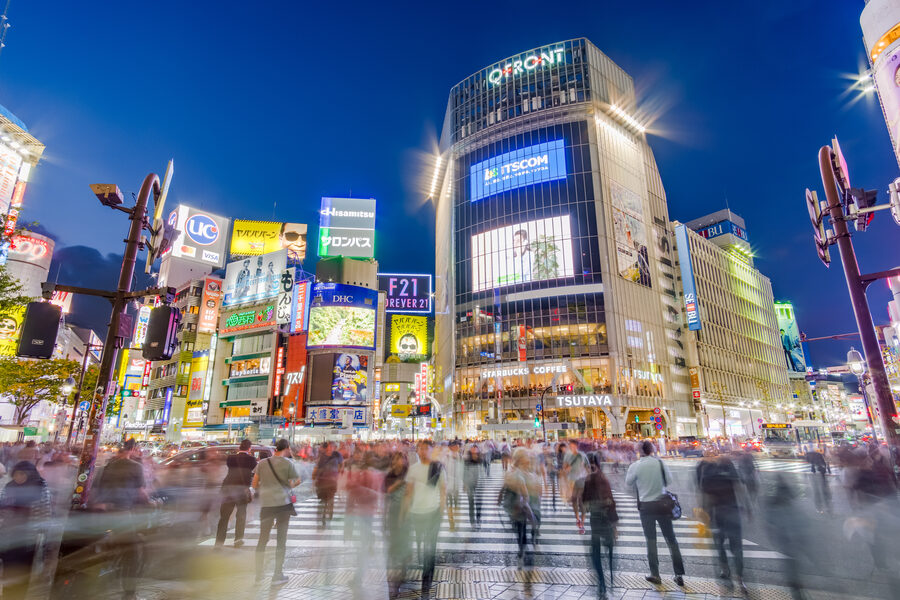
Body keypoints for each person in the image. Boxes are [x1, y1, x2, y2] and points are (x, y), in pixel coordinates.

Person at [625, 440, 685, 587]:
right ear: (652, 450)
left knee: (651, 541)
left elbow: (628, 482)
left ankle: (655, 574)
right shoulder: (660, 463)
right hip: (662, 505)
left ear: (640, 451)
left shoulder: (635, 466)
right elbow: (669, 480)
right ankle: (679, 574)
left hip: (646, 507)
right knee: (671, 539)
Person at [92, 439, 147, 599]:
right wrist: (149, 501)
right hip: (122, 513)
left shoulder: (104, 468)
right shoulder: (136, 467)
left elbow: (95, 490)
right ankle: (129, 591)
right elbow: (141, 493)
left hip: (102, 512)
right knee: (132, 552)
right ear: (132, 450)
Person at [0, 461, 52, 600]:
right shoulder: (9, 487)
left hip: (27, 538)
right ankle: (7, 595)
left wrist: (44, 537)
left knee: (22, 571)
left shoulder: (40, 487)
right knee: (8, 570)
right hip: (9, 536)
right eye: (16, 474)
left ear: (30, 474)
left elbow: (45, 513)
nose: (19, 477)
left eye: (22, 474)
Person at [252, 439, 301, 586]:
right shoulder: (288, 464)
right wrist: (289, 485)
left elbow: (254, 484)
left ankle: (259, 574)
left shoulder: (262, 463)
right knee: (281, 540)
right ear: (286, 448)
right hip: (283, 505)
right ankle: (277, 575)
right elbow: (296, 481)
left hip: (266, 506)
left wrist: (266, 490)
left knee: (262, 539)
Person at [698, 455, 746, 594]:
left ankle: (724, 569)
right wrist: (746, 507)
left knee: (719, 544)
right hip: (733, 511)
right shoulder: (730, 469)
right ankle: (740, 578)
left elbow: (705, 495)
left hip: (717, 514)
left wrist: (704, 514)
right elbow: (739, 487)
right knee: (737, 547)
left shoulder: (708, 471)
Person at [403, 440, 445, 599]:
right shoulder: (413, 469)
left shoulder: (438, 468)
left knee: (429, 551)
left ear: (431, 450)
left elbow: (443, 491)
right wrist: (404, 513)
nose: (422, 451)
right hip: (416, 513)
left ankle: (426, 586)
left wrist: (441, 513)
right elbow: (408, 493)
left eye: (426, 448)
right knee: (421, 542)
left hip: (433, 513)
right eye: (420, 449)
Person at [583, 452, 618, 600]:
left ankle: (601, 583)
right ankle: (609, 577)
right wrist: (615, 525)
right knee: (609, 549)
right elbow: (611, 502)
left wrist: (587, 508)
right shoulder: (604, 479)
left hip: (596, 520)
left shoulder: (588, 480)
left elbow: (584, 504)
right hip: (607, 520)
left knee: (595, 552)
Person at [215, 439, 257, 547]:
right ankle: (238, 540)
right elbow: (253, 471)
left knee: (224, 516)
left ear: (239, 447)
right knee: (241, 515)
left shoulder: (231, 458)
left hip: (228, 488)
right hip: (241, 490)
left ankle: (219, 542)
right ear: (249, 448)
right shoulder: (252, 460)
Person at [384, 451, 410, 599]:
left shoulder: (409, 475)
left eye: (402, 460)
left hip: (406, 515)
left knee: (403, 546)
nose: (399, 463)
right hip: (393, 515)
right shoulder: (390, 475)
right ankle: (393, 584)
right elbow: (386, 492)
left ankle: (402, 571)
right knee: (394, 549)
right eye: (397, 460)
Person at [312, 441, 342, 529]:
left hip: (332, 482)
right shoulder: (322, 456)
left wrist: (339, 476)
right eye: (329, 446)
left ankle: (329, 513)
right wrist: (314, 479)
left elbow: (341, 466)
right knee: (322, 501)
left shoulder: (337, 455)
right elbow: (317, 467)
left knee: (330, 499)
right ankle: (322, 516)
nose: (330, 448)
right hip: (322, 482)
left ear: (335, 447)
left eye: (332, 446)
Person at [564, 440, 589, 534]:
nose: (571, 447)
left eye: (573, 446)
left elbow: (588, 467)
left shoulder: (582, 455)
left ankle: (582, 524)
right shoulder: (567, 456)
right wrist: (567, 469)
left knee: (582, 503)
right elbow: (564, 468)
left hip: (581, 481)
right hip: (571, 481)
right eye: (570, 446)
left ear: (577, 446)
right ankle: (577, 519)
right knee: (574, 501)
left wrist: (589, 479)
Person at [463, 443, 483, 528]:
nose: (474, 450)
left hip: (478, 485)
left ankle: (478, 519)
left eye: (476, 448)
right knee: (471, 503)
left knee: (478, 503)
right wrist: (465, 484)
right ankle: (472, 521)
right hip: (470, 484)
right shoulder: (467, 461)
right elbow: (464, 473)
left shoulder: (481, 460)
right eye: (473, 448)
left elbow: (483, 472)